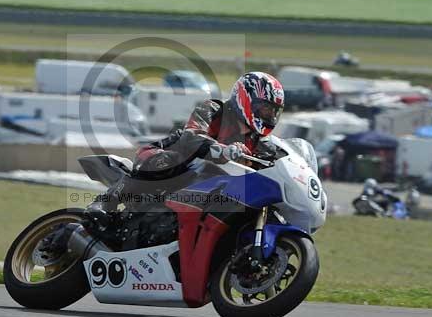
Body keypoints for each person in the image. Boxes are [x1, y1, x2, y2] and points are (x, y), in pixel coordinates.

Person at [85, 71, 285, 223]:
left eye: (273, 111)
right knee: (173, 160)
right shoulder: (214, 110)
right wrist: (223, 150)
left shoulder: (262, 144)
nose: (269, 116)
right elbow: (192, 137)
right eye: (265, 108)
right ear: (245, 98)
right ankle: (106, 200)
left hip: (208, 187)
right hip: (166, 155)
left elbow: (277, 165)